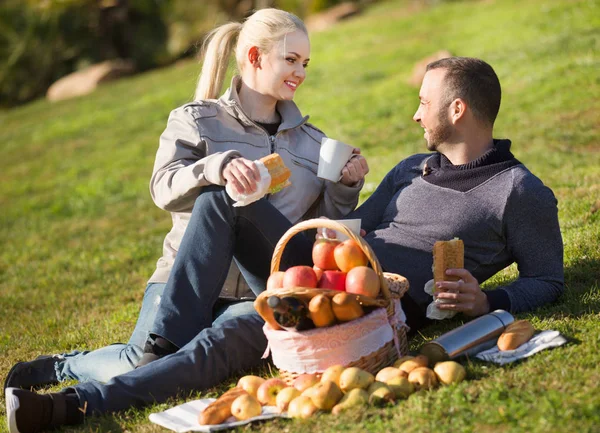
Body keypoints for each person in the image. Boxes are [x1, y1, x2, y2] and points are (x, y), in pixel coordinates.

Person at [5, 57, 564, 433]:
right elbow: (354, 231)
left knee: (223, 341)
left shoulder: (519, 192)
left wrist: (488, 301)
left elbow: (549, 279)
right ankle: (157, 344)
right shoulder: (411, 167)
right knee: (222, 200)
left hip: (364, 310)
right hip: (325, 267)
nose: (416, 113)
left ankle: (68, 405)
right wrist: (336, 196)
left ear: (458, 110)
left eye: (424, 102)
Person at [3, 8, 368, 391]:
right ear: (255, 57)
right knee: (137, 365)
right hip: (182, 280)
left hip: (250, 294)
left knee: (191, 367)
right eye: (291, 60)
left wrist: (344, 186)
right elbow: (163, 187)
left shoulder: (314, 143)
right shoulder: (197, 120)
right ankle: (64, 367)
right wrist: (215, 167)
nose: (301, 73)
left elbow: (317, 233)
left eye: (305, 62)